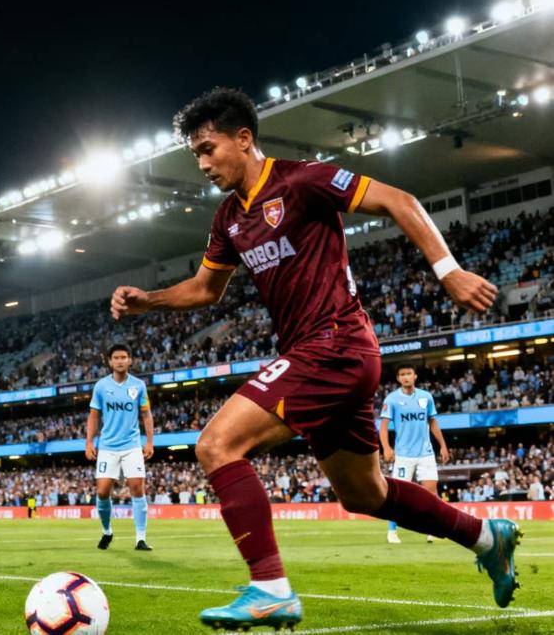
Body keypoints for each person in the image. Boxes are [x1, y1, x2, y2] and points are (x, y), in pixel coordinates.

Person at [111, 88, 519, 630]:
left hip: (335, 343)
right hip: (322, 355)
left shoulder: (301, 181)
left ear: (243, 138)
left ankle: (270, 589)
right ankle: (488, 537)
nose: (203, 164)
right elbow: (207, 289)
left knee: (216, 445)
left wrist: (449, 271)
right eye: (196, 155)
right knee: (364, 494)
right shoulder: (229, 217)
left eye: (208, 149)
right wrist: (150, 300)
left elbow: (400, 200)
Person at [85, 344, 155, 551]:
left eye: (124, 357)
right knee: (102, 491)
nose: (120, 361)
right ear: (110, 362)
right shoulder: (101, 386)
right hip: (107, 446)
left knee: (137, 488)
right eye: (116, 358)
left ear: (130, 360)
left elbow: (146, 414)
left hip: (132, 445)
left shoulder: (138, 386)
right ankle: (107, 531)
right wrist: (89, 442)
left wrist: (149, 441)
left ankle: (140, 538)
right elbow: (94, 416)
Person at [379, 364, 447, 544]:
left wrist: (442, 445)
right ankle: (392, 531)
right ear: (398, 378)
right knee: (398, 495)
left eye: (409, 373)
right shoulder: (392, 399)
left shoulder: (426, 397)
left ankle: (433, 529)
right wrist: (386, 447)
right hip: (403, 455)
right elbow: (383, 426)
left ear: (415, 376)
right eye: (402, 374)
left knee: (432, 492)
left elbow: (433, 422)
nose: (406, 377)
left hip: (426, 453)